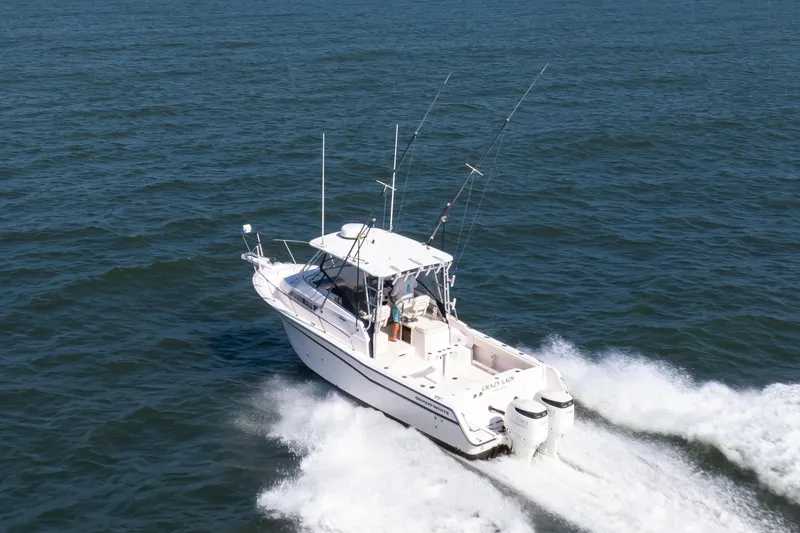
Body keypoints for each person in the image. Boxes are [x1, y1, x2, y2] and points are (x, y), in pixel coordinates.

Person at [388, 275, 417, 342]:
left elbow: (393, 294)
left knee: (396, 317)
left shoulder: (398, 280)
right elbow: (415, 286)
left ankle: (394, 337)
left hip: (401, 306)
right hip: (410, 304)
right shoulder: (412, 277)